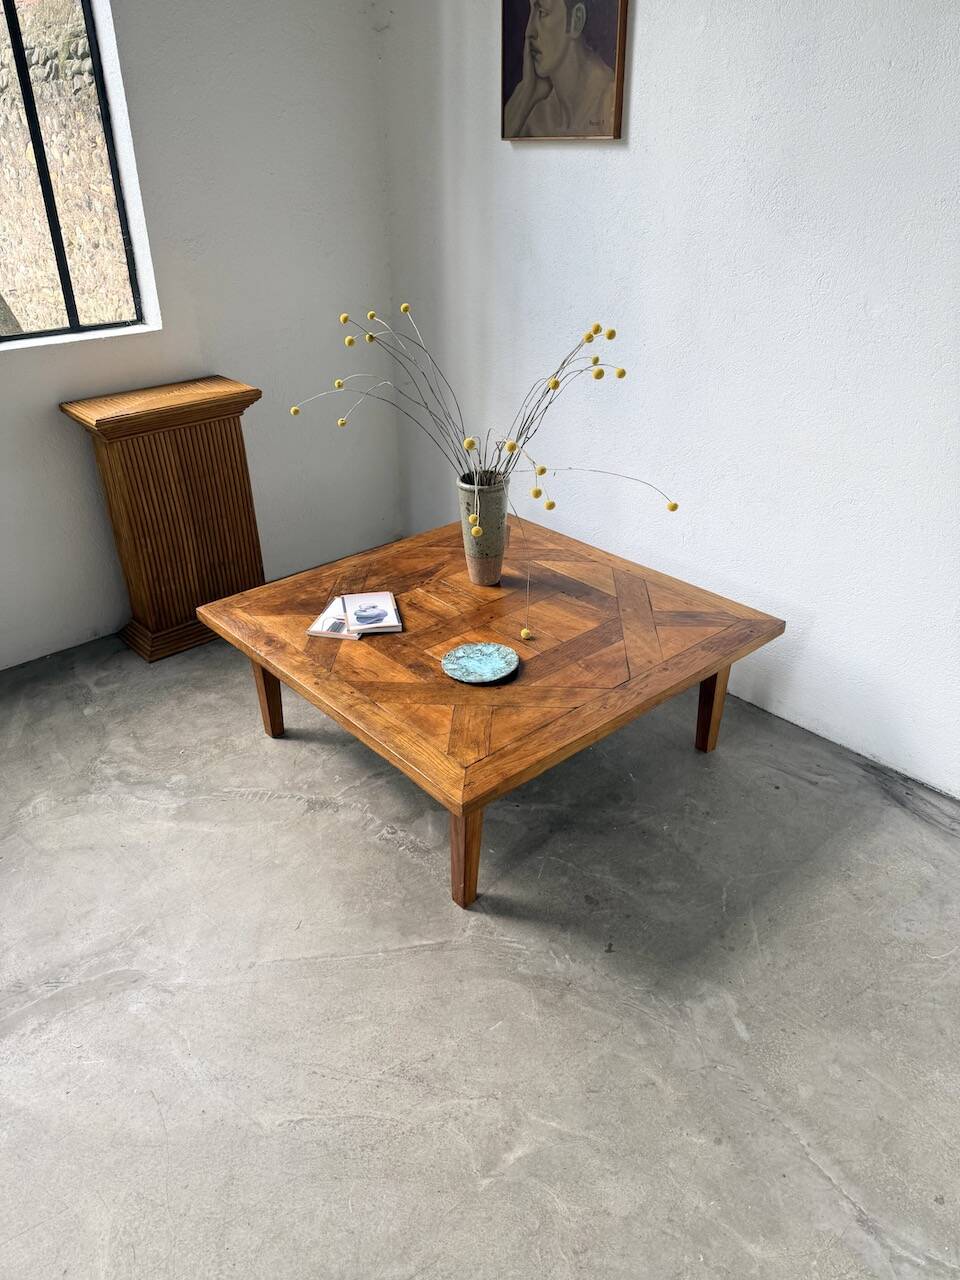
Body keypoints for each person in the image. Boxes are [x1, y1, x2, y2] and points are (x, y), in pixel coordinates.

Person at [504, 0, 616, 138]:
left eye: (542, 13)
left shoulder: (609, 102)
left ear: (577, 20)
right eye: (530, 12)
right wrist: (526, 93)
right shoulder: (537, 114)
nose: (529, 32)